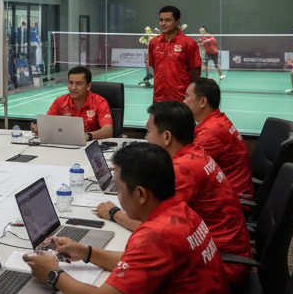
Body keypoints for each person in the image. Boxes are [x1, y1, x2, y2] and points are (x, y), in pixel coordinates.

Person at [22, 140, 237, 294]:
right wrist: (86, 252)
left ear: (141, 194)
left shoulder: (155, 236)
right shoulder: (181, 211)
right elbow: (139, 263)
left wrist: (53, 274)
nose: (117, 197)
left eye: (119, 188)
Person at [96, 101, 251, 284]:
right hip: (218, 250)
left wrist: (113, 213)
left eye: (149, 132)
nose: (146, 138)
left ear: (167, 137)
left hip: (222, 266)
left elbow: (156, 227)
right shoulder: (194, 152)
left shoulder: (182, 170)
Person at [184, 78, 254, 203]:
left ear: (202, 102)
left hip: (232, 201)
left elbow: (189, 171)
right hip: (228, 191)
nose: (184, 101)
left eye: (187, 97)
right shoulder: (217, 120)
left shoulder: (211, 132)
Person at [31, 65, 113, 141]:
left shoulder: (99, 102)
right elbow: (47, 124)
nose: (73, 88)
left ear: (88, 86)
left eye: (79, 84)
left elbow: (108, 131)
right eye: (70, 83)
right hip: (65, 143)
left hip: (89, 145)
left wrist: (88, 135)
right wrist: (39, 129)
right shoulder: (60, 101)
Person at [147, 5, 201, 102]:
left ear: (178, 21)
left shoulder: (189, 43)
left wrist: (190, 95)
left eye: (168, 20)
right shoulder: (153, 43)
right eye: (161, 20)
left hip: (181, 100)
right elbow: (154, 66)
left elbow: (196, 71)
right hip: (158, 99)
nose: (163, 23)